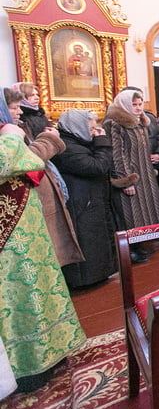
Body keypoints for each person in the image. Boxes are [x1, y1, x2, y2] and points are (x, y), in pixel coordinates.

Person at [0, 96, 85, 393]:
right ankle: (26, 367)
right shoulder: (9, 135)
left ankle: (51, 352)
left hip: (27, 228)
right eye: (11, 107)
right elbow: (11, 162)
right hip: (7, 236)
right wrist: (12, 138)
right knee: (18, 296)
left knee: (41, 286)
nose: (17, 112)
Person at [4, 88, 83, 269]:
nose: (20, 112)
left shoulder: (17, 128)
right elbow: (26, 161)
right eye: (15, 108)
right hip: (21, 205)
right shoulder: (7, 134)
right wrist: (49, 139)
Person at [51, 109, 130, 288]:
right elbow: (96, 166)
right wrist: (102, 143)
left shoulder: (78, 142)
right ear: (78, 127)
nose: (94, 132)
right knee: (86, 239)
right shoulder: (67, 147)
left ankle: (99, 273)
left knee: (95, 237)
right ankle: (85, 280)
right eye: (91, 128)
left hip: (90, 199)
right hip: (80, 202)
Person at [103, 89, 159, 264]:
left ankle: (138, 245)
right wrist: (126, 180)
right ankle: (128, 250)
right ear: (124, 105)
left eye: (140, 104)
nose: (138, 108)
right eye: (134, 105)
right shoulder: (114, 123)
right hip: (130, 175)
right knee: (128, 213)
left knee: (142, 212)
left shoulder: (140, 121)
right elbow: (117, 154)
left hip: (143, 173)